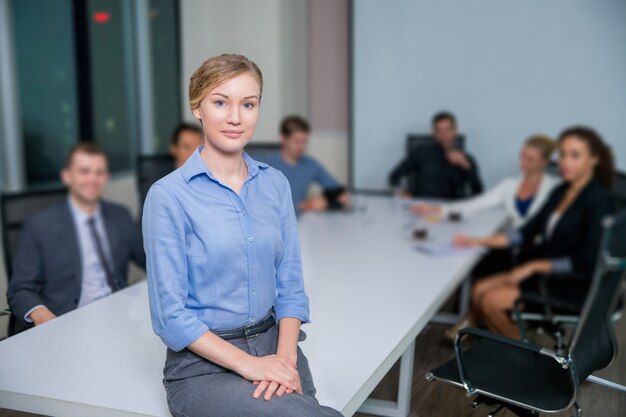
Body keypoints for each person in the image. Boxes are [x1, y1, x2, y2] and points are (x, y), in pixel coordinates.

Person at [142, 54, 342, 417]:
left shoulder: (275, 184)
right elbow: (169, 316)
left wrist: (283, 359)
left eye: (248, 104)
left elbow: (291, 284)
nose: (235, 117)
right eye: (221, 102)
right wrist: (250, 366)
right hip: (203, 364)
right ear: (197, 107)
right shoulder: (168, 196)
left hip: (274, 344)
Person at [450, 126, 615, 339]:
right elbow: (525, 233)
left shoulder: (599, 200)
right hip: (549, 273)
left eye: (575, 155)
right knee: (478, 290)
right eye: (562, 154)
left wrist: (533, 265)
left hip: (575, 284)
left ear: (594, 158)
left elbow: (587, 261)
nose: (565, 162)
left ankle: (526, 359)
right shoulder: (561, 191)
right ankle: (513, 344)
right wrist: (477, 240)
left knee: (490, 301)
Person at [7, 143, 146, 331]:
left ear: (106, 178)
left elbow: (148, 258)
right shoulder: (40, 226)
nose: (92, 179)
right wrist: (42, 316)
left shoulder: (120, 215)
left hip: (118, 315)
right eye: (84, 171)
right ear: (67, 176)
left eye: (99, 173)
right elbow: (20, 289)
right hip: (67, 322)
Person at [412, 134, 560, 228]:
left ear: (544, 162)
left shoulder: (556, 187)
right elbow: (475, 204)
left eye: (529, 159)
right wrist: (434, 209)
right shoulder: (509, 185)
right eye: (522, 156)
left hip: (542, 253)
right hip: (514, 247)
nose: (522, 162)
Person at [261, 115, 349, 214]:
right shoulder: (263, 163)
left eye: (304, 142)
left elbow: (340, 194)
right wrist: (303, 205)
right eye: (297, 142)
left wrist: (327, 202)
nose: (301, 147)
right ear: (283, 138)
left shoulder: (310, 165)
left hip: (299, 224)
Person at [389, 111, 483, 199]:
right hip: (422, 208)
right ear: (434, 133)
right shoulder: (421, 152)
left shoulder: (466, 159)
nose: (444, 135)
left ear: (455, 130)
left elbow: (479, 193)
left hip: (450, 210)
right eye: (439, 131)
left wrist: (466, 165)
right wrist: (400, 192)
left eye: (448, 130)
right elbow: (393, 176)